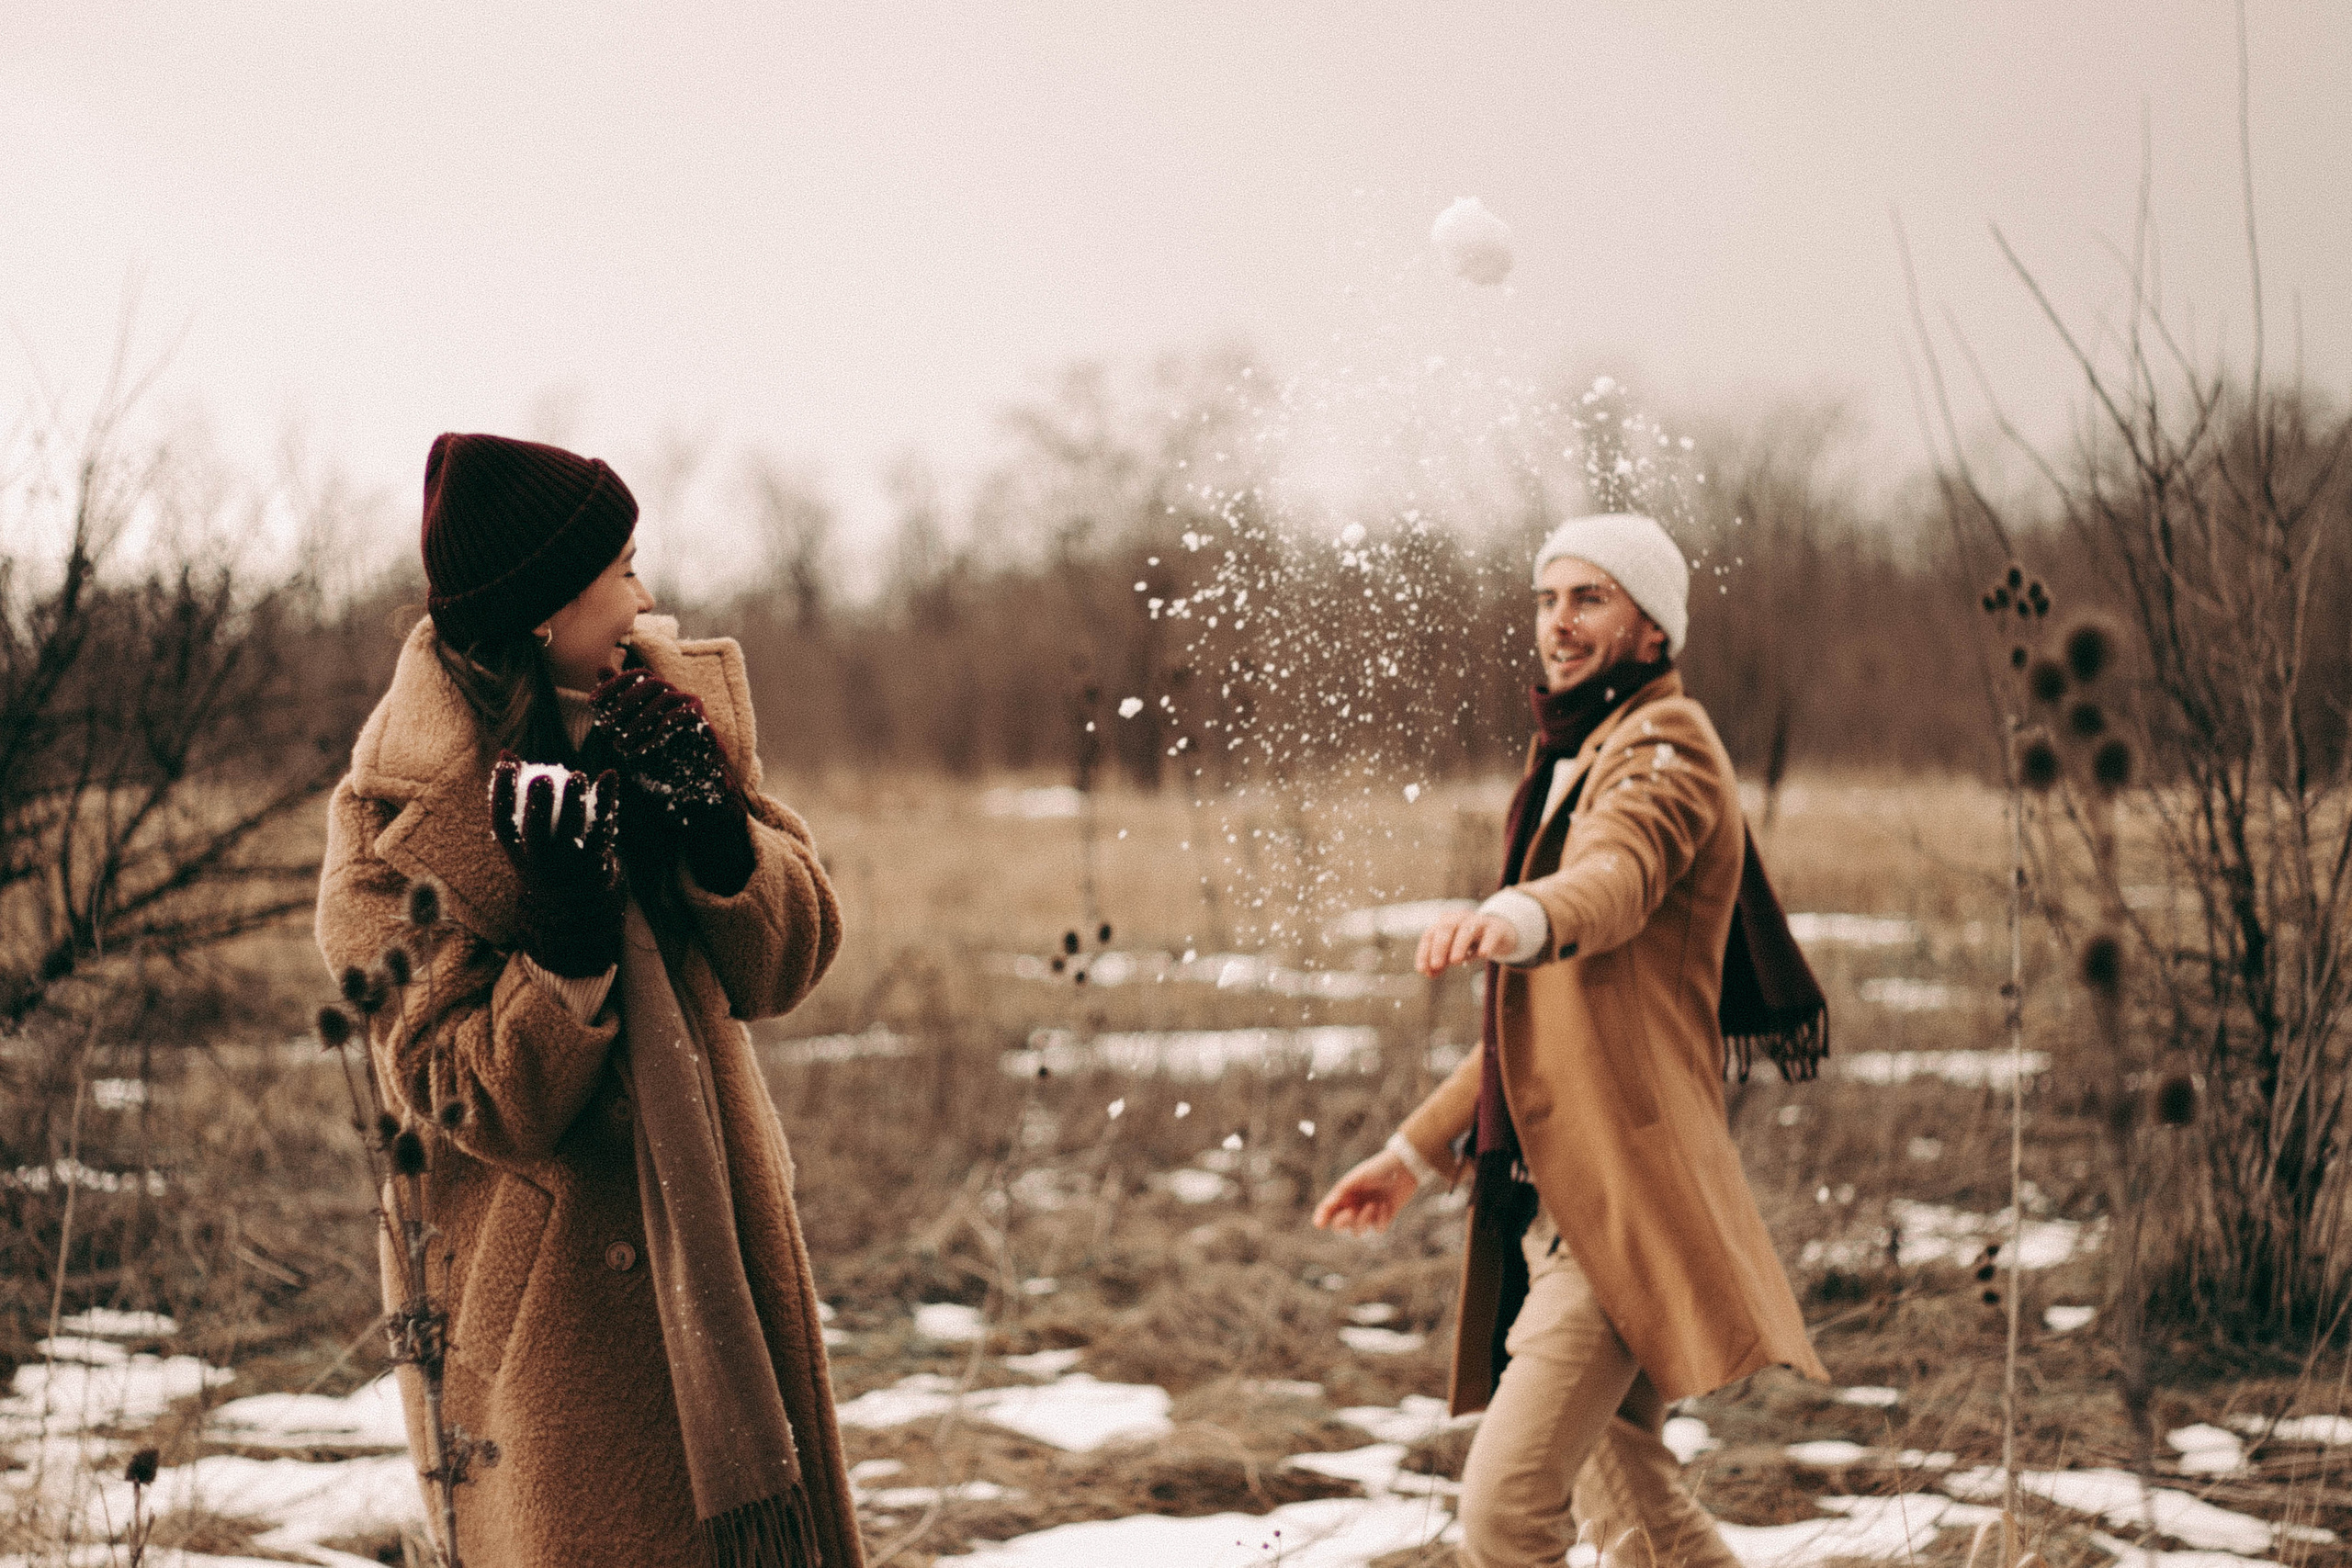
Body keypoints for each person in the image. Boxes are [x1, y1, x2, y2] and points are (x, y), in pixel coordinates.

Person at [316, 433, 859, 1567]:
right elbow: (462, 1098)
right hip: (546, 1322)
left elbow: (789, 964)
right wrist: (561, 947)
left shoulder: (665, 712)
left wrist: (720, 835)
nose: (647, 593)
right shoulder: (391, 824)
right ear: (542, 610)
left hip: (720, 1263)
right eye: (620, 567)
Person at [1313, 513, 1830, 1568]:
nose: (1558, 623)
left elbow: (1619, 873)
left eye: (1589, 598)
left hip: (1616, 1208)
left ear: (1651, 630)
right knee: (1638, 1519)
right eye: (1547, 599)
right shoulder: (1581, 752)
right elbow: (1542, 1035)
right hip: (1564, 1200)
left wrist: (1526, 914)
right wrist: (1414, 1154)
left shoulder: (1662, 748)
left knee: (1506, 1514)